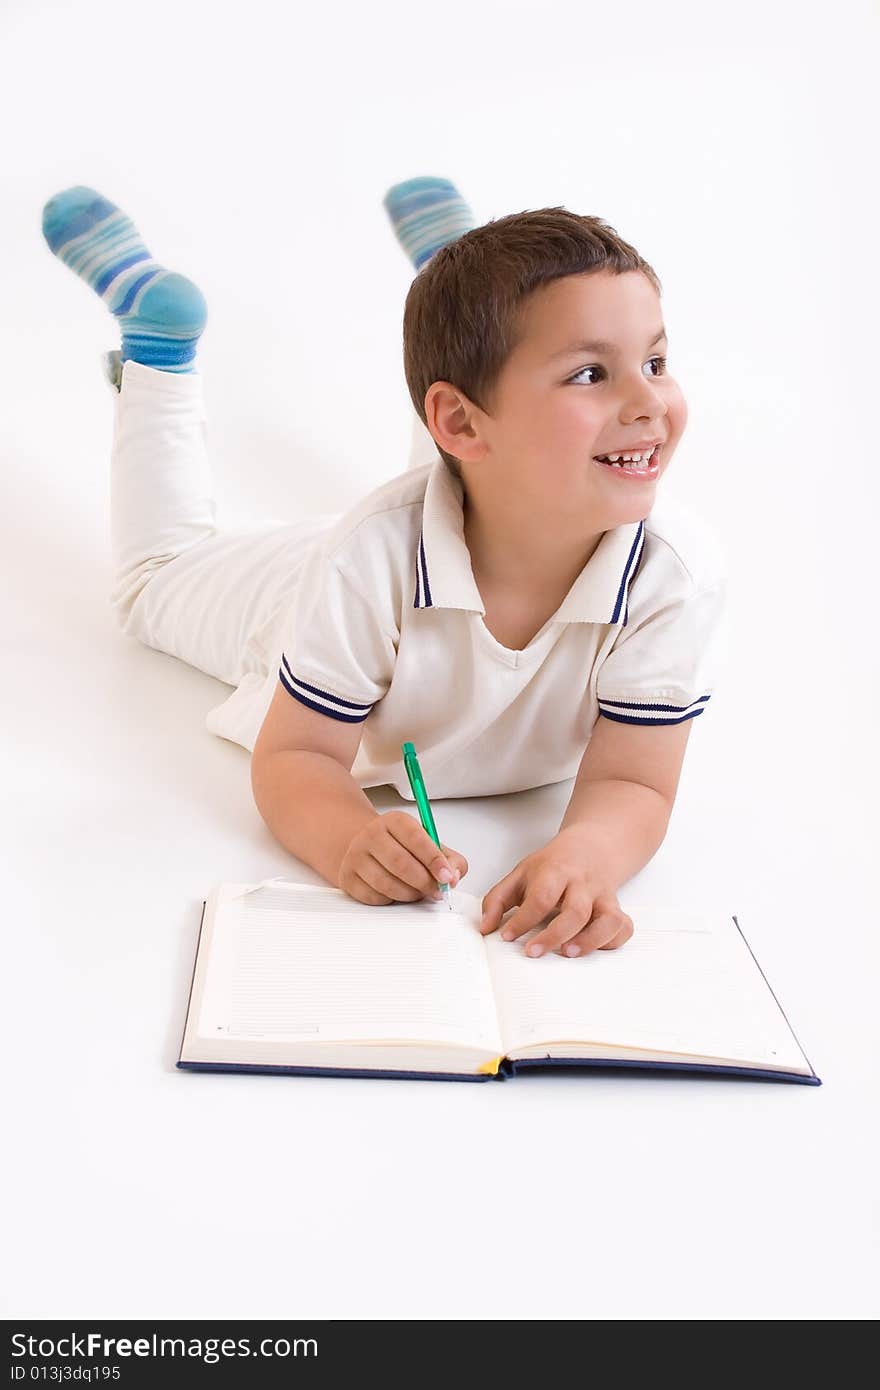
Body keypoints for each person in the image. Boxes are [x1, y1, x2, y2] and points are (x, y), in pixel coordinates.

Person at [41, 176, 727, 961]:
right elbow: (296, 755)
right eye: (588, 373)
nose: (650, 402)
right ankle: (158, 352)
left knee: (491, 459)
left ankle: (456, 286)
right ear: (458, 419)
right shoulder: (367, 559)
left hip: (441, 521)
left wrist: (586, 857)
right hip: (295, 594)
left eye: (657, 360)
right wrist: (346, 838)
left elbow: (635, 782)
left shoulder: (676, 571)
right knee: (156, 581)